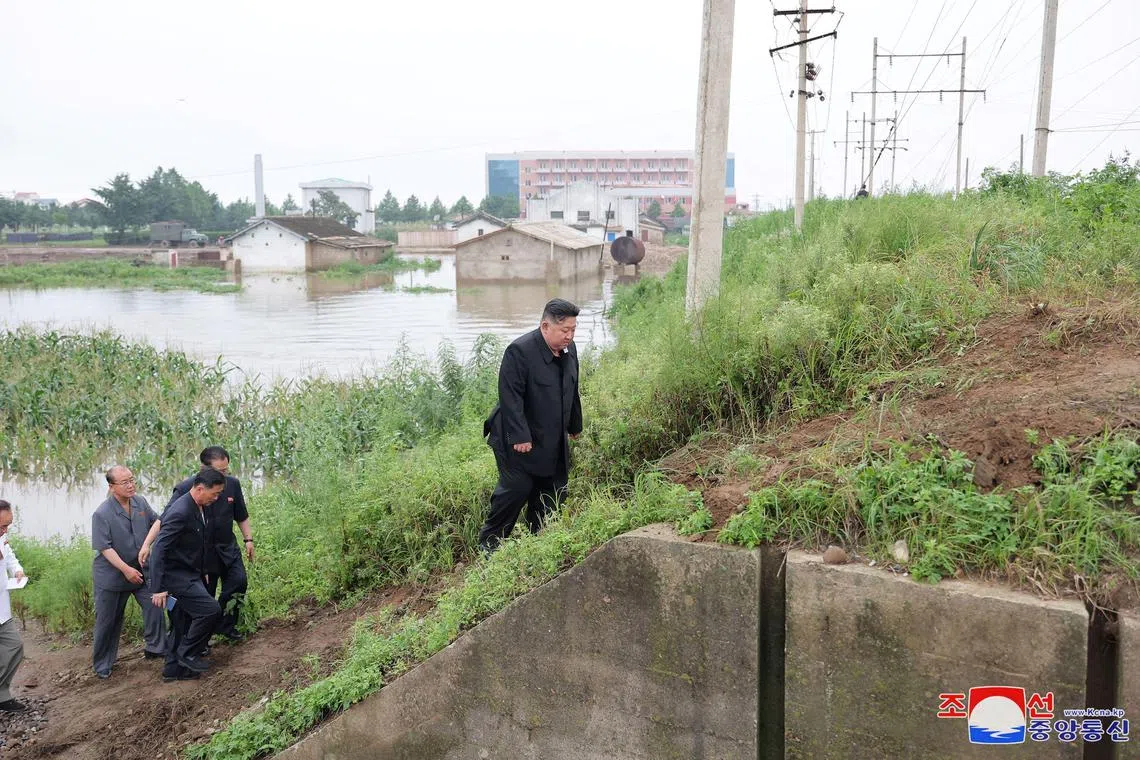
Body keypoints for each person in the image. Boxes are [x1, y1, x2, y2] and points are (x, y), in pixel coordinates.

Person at [479, 298, 583, 552]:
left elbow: (572, 388)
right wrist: (520, 435)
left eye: (573, 330)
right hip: (515, 438)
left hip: (550, 434)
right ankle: (490, 547)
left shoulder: (569, 350)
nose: (569, 336)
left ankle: (538, 544)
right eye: (564, 330)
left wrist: (574, 425)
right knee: (517, 489)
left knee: (552, 489)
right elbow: (510, 396)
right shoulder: (520, 351)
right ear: (545, 326)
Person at [166, 446, 253, 642]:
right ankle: (199, 637)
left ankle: (225, 625)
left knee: (238, 582)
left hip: (227, 547)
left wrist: (248, 539)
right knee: (206, 593)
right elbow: (167, 520)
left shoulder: (232, 484)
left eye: (226, 470)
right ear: (203, 468)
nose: (224, 475)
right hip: (203, 553)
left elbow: (241, 514)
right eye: (219, 471)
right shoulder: (186, 488)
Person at [149, 469, 225, 682]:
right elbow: (159, 550)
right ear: (200, 489)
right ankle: (187, 653)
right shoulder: (180, 511)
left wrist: (204, 570)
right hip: (176, 578)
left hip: (191, 572)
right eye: (215, 493)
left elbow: (198, 544)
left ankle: (173, 670)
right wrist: (158, 589)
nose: (216, 498)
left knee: (181, 621)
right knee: (210, 610)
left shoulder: (199, 505)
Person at [90, 466, 166, 678]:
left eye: (132, 480)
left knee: (155, 604)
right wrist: (125, 569)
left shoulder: (140, 502)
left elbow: (157, 522)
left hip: (141, 570)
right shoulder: (102, 513)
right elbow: (104, 547)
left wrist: (149, 544)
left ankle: (156, 648)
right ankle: (103, 665)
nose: (131, 485)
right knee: (108, 621)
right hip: (112, 576)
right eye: (125, 482)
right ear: (111, 487)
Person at [0, 501, 27, 712]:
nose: (5, 530)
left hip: (2, 610)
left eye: (8, 525)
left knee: (14, 646)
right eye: (2, 526)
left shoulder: (1, 537)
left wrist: (17, 570)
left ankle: (1, 694)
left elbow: (9, 557)